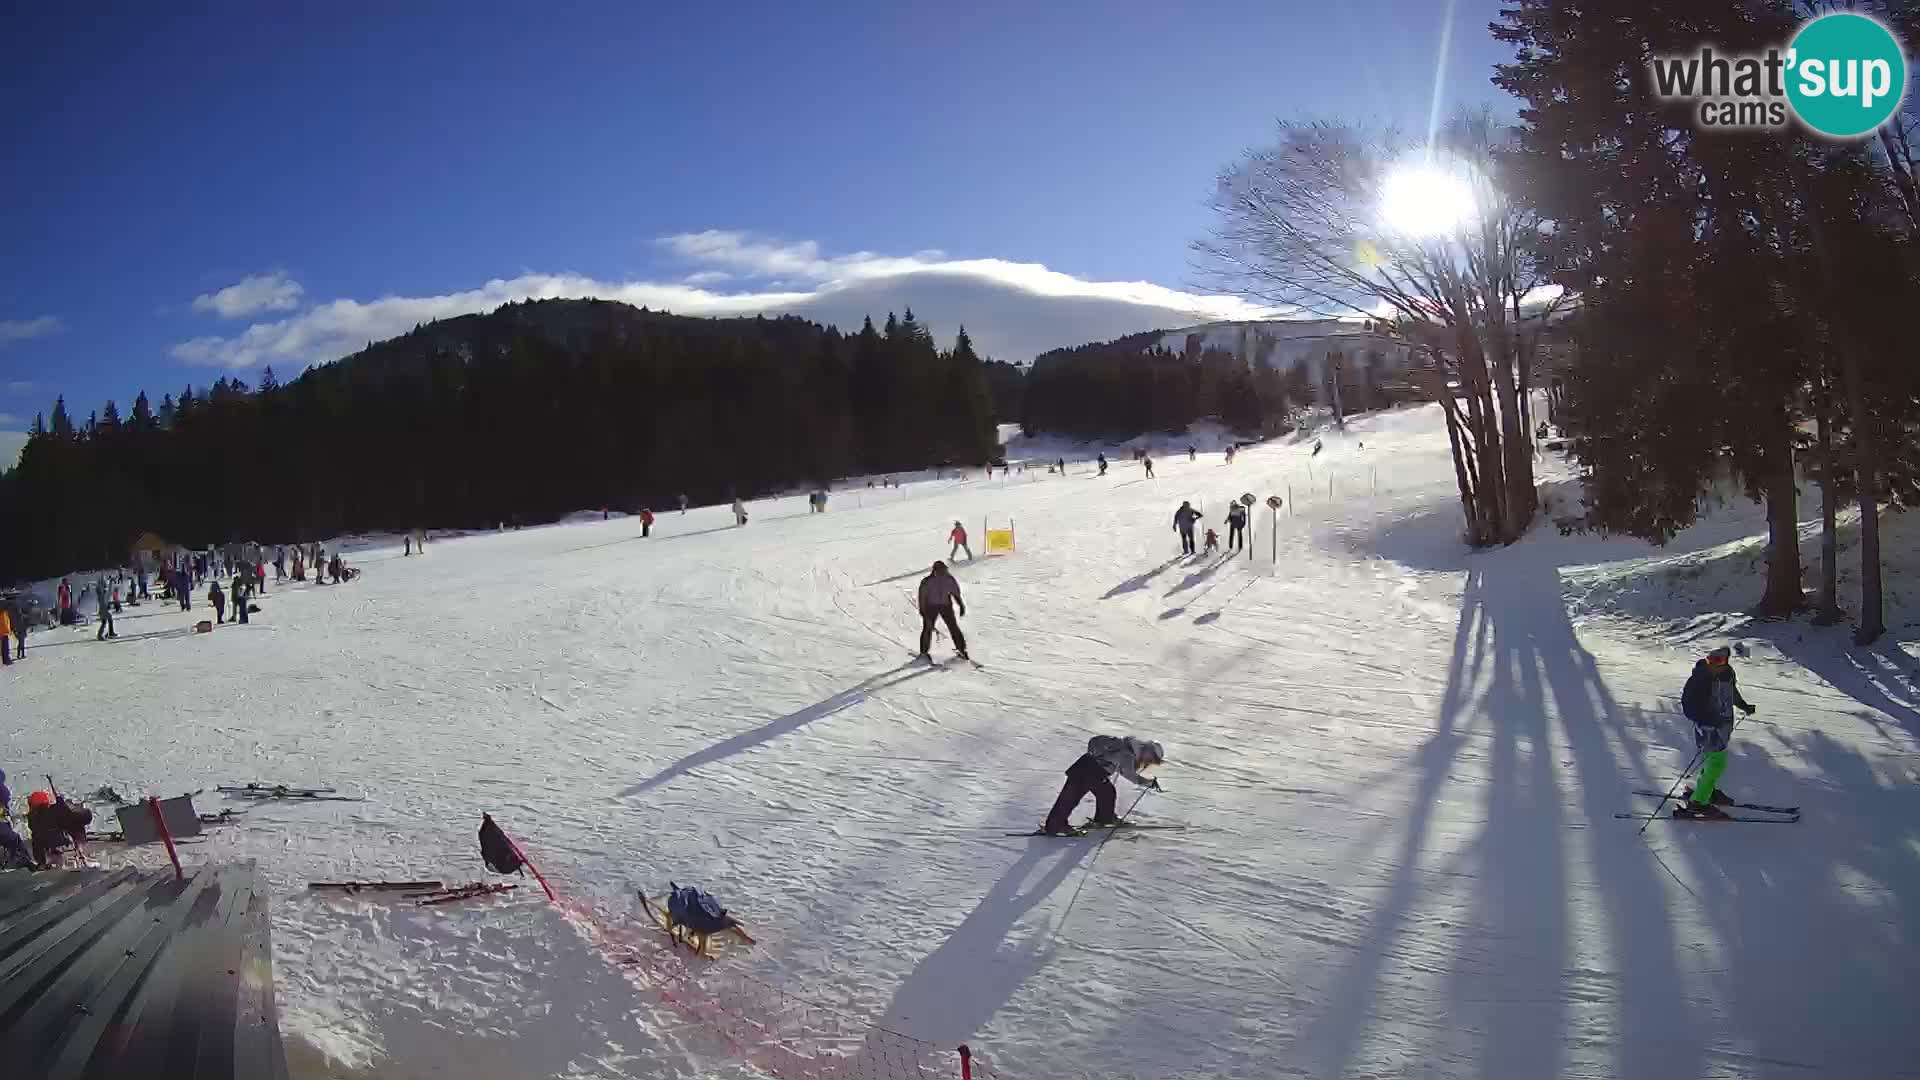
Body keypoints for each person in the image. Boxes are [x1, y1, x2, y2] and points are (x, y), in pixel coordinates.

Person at [1676, 645, 1756, 818]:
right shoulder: (1699, 678)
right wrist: (1706, 719)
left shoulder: (1727, 674)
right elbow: (1688, 707)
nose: (1713, 663)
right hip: (1707, 729)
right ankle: (1699, 802)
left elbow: (1731, 693)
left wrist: (1744, 706)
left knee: (1711, 762)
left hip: (1723, 726)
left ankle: (1707, 790)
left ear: (1726, 662)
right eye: (1710, 659)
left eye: (1719, 660)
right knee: (1717, 765)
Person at [1043, 736, 1165, 835]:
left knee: (1107, 792)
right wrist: (1148, 782)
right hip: (1089, 771)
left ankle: (1105, 818)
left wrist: (1097, 756)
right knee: (1071, 798)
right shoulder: (1128, 753)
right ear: (1148, 751)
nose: (1150, 762)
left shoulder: (1123, 744)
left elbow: (1094, 741)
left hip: (1089, 768)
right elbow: (1130, 774)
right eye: (1152, 758)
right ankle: (1056, 826)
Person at [916, 561, 968, 662]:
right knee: (928, 628)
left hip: (946, 606)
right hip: (931, 607)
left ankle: (961, 649)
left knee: (953, 627)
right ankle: (924, 652)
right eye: (940, 570)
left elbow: (955, 593)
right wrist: (923, 610)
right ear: (934, 571)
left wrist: (961, 605)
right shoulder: (927, 581)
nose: (942, 572)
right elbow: (922, 596)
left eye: (943, 570)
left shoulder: (949, 579)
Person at [26, 790, 92, 868]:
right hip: (61, 843)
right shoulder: (56, 811)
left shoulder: (31, 819)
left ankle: (44, 863)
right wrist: (62, 804)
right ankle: (80, 851)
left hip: (45, 849)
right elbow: (77, 818)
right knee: (75, 825)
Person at [94, 576, 116, 641]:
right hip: (103, 609)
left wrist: (110, 582)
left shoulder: (102, 592)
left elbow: (109, 591)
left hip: (103, 609)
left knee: (107, 620)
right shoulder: (101, 593)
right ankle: (100, 635)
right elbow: (108, 591)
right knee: (104, 622)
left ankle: (109, 633)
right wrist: (111, 582)